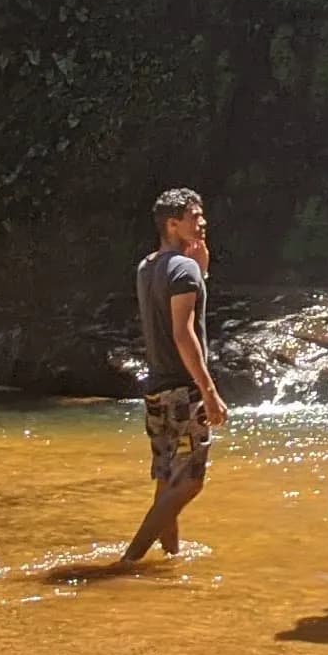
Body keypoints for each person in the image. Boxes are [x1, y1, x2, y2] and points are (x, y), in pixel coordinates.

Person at [119, 187, 227, 569]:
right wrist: (209, 392)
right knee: (191, 480)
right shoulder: (185, 269)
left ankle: (169, 561)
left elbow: (171, 319)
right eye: (194, 217)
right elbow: (184, 333)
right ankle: (130, 559)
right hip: (184, 391)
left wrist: (204, 271)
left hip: (156, 391)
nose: (202, 222)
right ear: (172, 223)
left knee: (167, 479)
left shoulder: (147, 266)